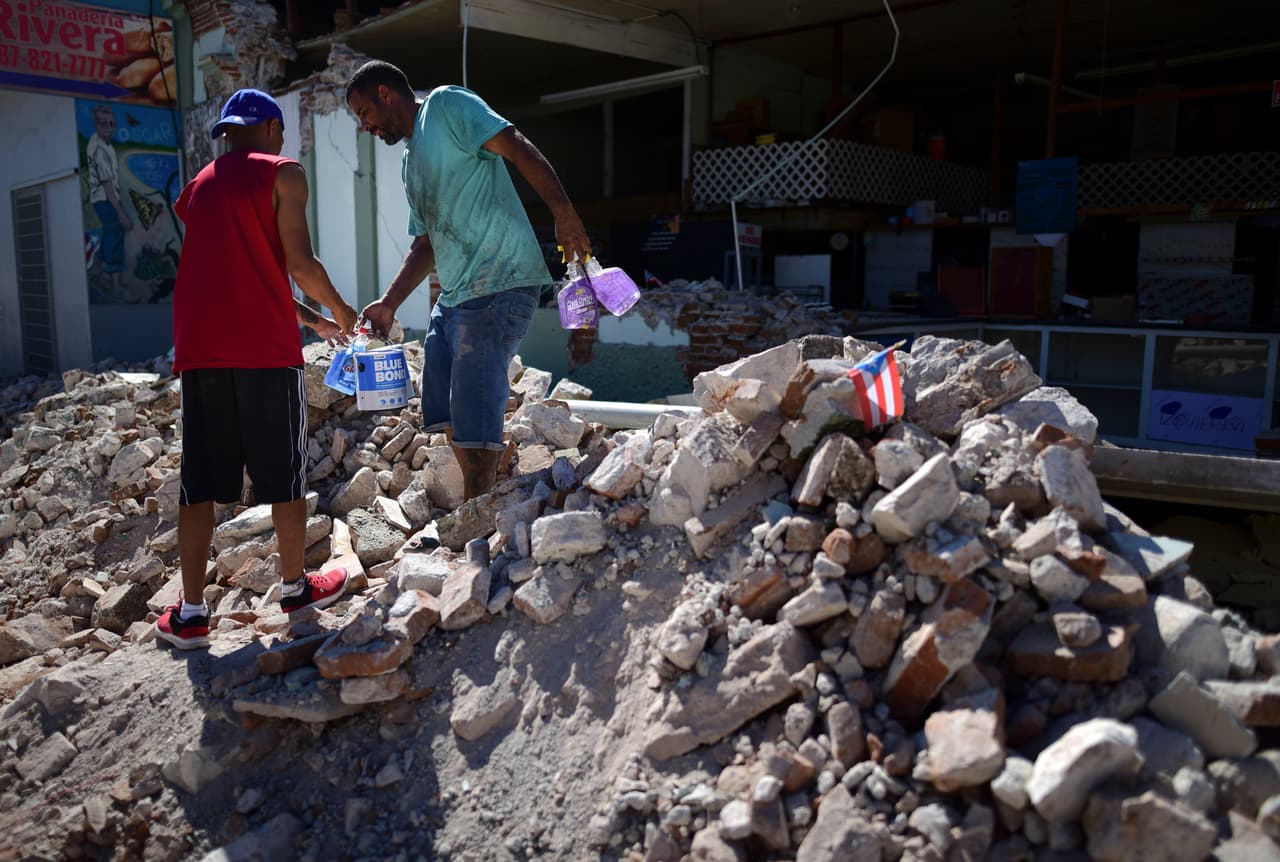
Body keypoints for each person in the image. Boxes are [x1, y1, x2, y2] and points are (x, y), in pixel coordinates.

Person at [154, 89, 359, 649]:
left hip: (201, 355)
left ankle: (192, 614)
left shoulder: (198, 187)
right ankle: (295, 589)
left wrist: (312, 320)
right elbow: (296, 262)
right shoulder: (284, 173)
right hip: (266, 355)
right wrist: (343, 310)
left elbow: (244, 273)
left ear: (227, 133)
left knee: (198, 484)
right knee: (283, 475)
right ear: (271, 128)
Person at [345, 60, 591, 501]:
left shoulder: (445, 106)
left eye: (363, 113)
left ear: (385, 94)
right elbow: (426, 244)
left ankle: (481, 526)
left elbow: (516, 146)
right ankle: (487, 493)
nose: (364, 126)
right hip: (457, 297)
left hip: (499, 283)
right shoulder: (409, 161)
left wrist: (564, 214)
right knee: (444, 412)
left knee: (475, 423)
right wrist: (388, 304)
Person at [87, 104, 133, 294]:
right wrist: (121, 213)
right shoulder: (100, 150)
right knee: (115, 233)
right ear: (96, 125)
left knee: (111, 234)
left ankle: (96, 266)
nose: (108, 127)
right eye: (103, 124)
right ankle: (114, 285)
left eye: (111, 124)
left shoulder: (106, 145)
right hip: (104, 199)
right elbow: (107, 187)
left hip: (107, 197)